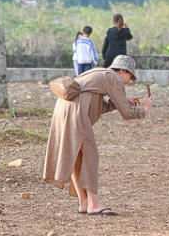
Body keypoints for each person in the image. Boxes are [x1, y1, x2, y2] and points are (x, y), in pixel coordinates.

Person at [43, 55, 152, 216]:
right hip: (76, 112)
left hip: (64, 108)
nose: (129, 81)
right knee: (90, 154)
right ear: (122, 71)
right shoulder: (113, 78)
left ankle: (84, 203)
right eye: (130, 76)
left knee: (78, 155)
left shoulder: (98, 73)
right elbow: (127, 114)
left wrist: (123, 100)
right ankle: (94, 204)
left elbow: (98, 106)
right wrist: (145, 109)